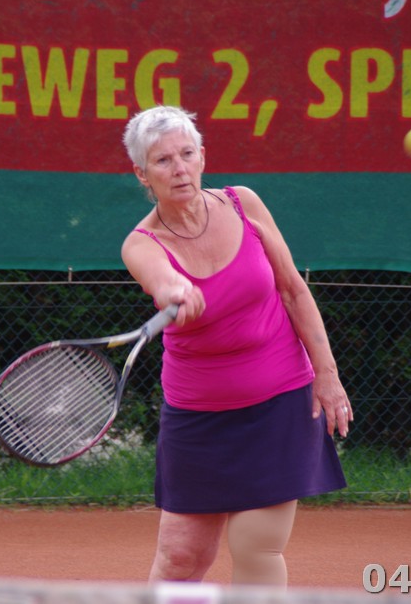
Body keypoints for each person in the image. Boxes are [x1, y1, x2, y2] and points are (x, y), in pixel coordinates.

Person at [120, 105, 351, 587]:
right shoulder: (141, 244)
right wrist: (173, 290)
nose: (179, 168)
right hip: (198, 418)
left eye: (187, 154)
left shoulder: (245, 203)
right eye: (163, 160)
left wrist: (327, 376)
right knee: (181, 559)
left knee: (255, 544)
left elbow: (293, 290)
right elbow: (159, 279)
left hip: (280, 400)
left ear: (203, 157)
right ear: (142, 173)